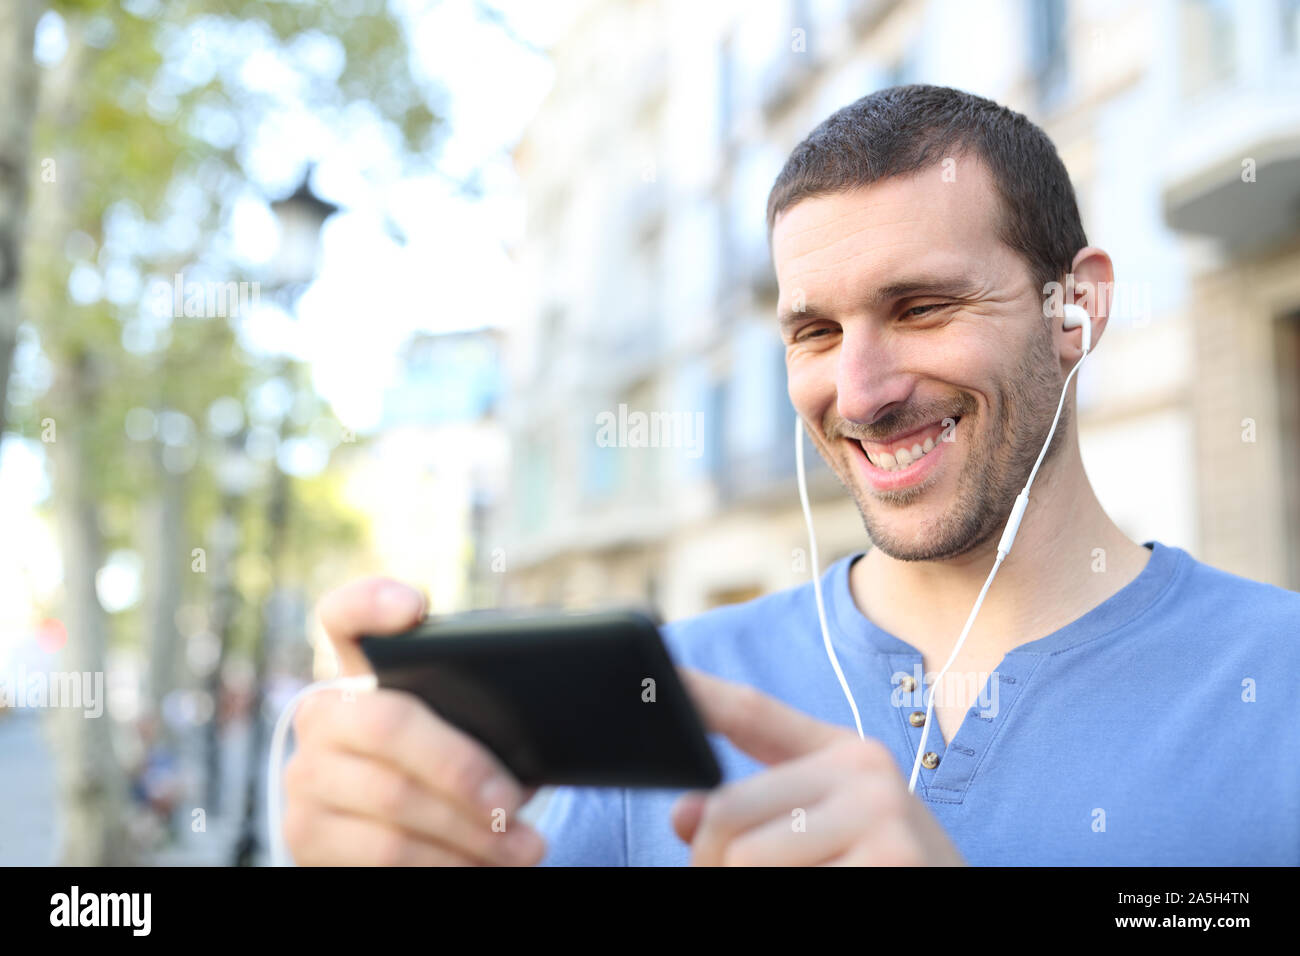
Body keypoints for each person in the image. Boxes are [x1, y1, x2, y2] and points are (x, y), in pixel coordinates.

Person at [282, 85, 1300, 866]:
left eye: (921, 308)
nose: (858, 392)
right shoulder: (659, 693)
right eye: (814, 330)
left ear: (1073, 309)